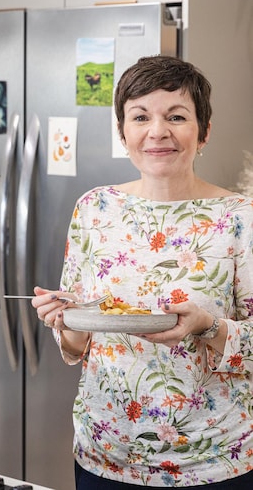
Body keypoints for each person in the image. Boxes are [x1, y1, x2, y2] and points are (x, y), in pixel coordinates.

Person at [32, 55, 253, 488]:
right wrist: (63, 319)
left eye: (176, 116)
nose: (157, 132)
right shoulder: (94, 209)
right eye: (140, 117)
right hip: (105, 457)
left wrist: (208, 327)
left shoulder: (239, 218)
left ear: (203, 131)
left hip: (214, 462)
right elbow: (77, 345)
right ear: (123, 131)